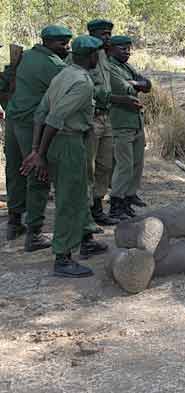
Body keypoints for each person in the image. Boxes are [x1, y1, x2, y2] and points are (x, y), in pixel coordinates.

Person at [20, 35, 109, 278]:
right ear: (91, 57)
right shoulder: (82, 83)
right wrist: (38, 154)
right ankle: (63, 257)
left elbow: (41, 113)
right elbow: (55, 117)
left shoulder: (62, 75)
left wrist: (38, 149)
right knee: (69, 199)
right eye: (97, 55)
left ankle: (85, 238)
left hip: (58, 141)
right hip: (68, 141)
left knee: (78, 193)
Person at [3, 25, 71, 248]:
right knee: (38, 174)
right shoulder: (54, 65)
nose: (66, 47)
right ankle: (34, 232)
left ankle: (14, 222)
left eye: (68, 42)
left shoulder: (26, 56)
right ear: (48, 42)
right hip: (31, 124)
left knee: (15, 171)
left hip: (12, 120)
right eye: (62, 43)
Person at [106, 35, 151, 221]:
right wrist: (136, 84)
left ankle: (128, 198)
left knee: (137, 163)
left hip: (136, 121)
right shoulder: (109, 67)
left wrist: (138, 83)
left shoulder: (126, 66)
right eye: (122, 48)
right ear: (112, 49)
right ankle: (116, 203)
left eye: (128, 48)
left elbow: (147, 85)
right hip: (121, 122)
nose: (127, 52)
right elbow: (126, 90)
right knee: (123, 165)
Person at [83, 19, 120, 226]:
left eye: (109, 34)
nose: (107, 37)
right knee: (87, 166)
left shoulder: (105, 57)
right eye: (103, 34)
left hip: (106, 117)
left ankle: (97, 206)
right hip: (90, 118)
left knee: (105, 165)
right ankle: (86, 211)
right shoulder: (82, 57)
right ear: (91, 34)